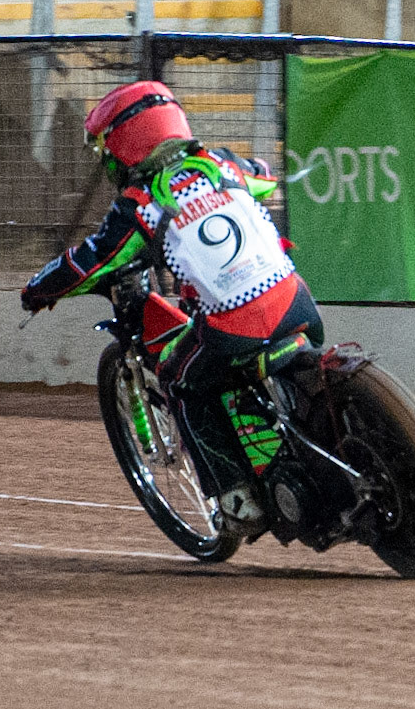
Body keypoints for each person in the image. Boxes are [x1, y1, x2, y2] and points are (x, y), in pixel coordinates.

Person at [21, 81, 323, 536]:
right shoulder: (222, 165)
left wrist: (38, 290)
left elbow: (90, 262)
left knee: (181, 382)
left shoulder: (141, 206)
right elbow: (265, 175)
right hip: (298, 302)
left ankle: (238, 502)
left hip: (236, 328)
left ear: (124, 145)